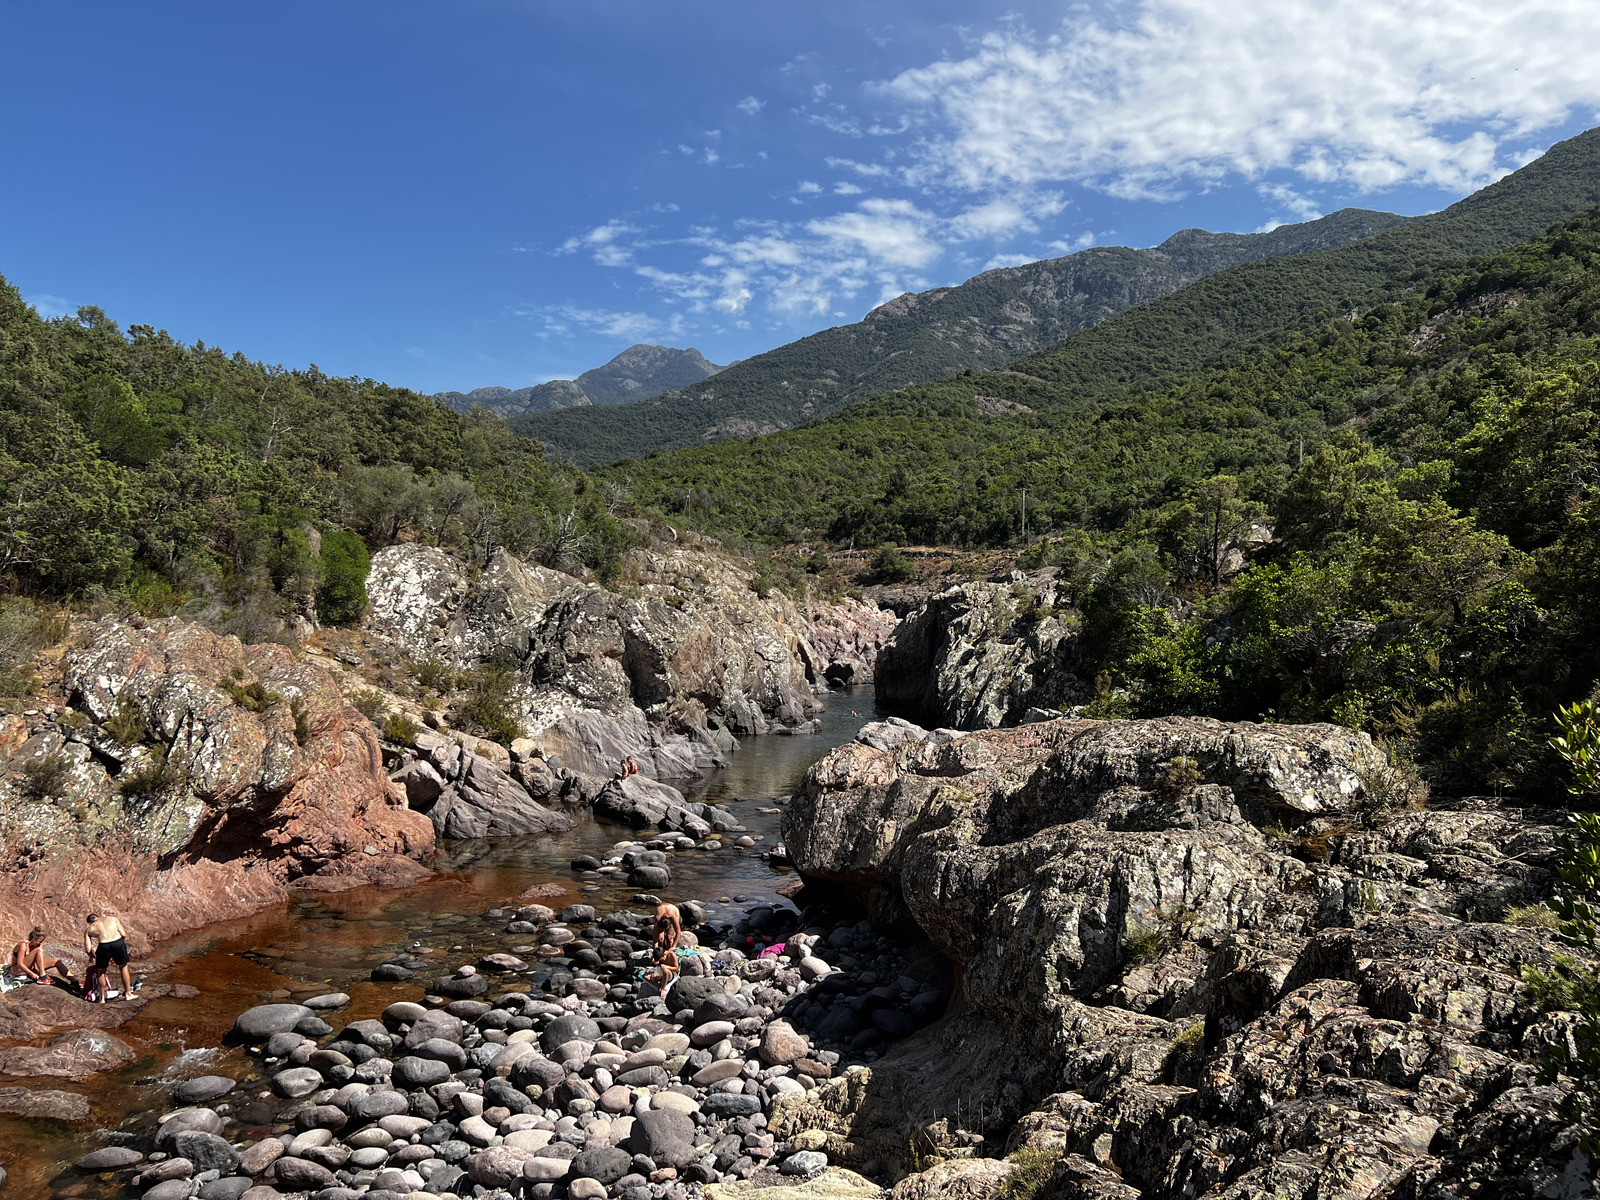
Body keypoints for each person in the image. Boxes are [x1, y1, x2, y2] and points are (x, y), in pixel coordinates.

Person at [83, 913, 133, 1002]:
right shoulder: (113, 919)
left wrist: (92, 957)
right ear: (98, 917)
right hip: (118, 942)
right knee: (123, 967)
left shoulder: (89, 929)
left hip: (103, 946)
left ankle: (102, 999)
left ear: (90, 923)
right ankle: (128, 994)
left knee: (101, 971)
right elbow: (123, 934)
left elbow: (88, 949)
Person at [5, 928, 73, 988]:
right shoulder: (23, 945)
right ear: (34, 939)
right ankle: (43, 977)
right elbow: (20, 963)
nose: (40, 943)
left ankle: (74, 980)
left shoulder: (37, 946)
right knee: (38, 950)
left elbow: (36, 962)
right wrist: (32, 974)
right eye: (40, 941)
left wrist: (37, 971)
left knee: (57, 961)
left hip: (30, 967)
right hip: (17, 969)